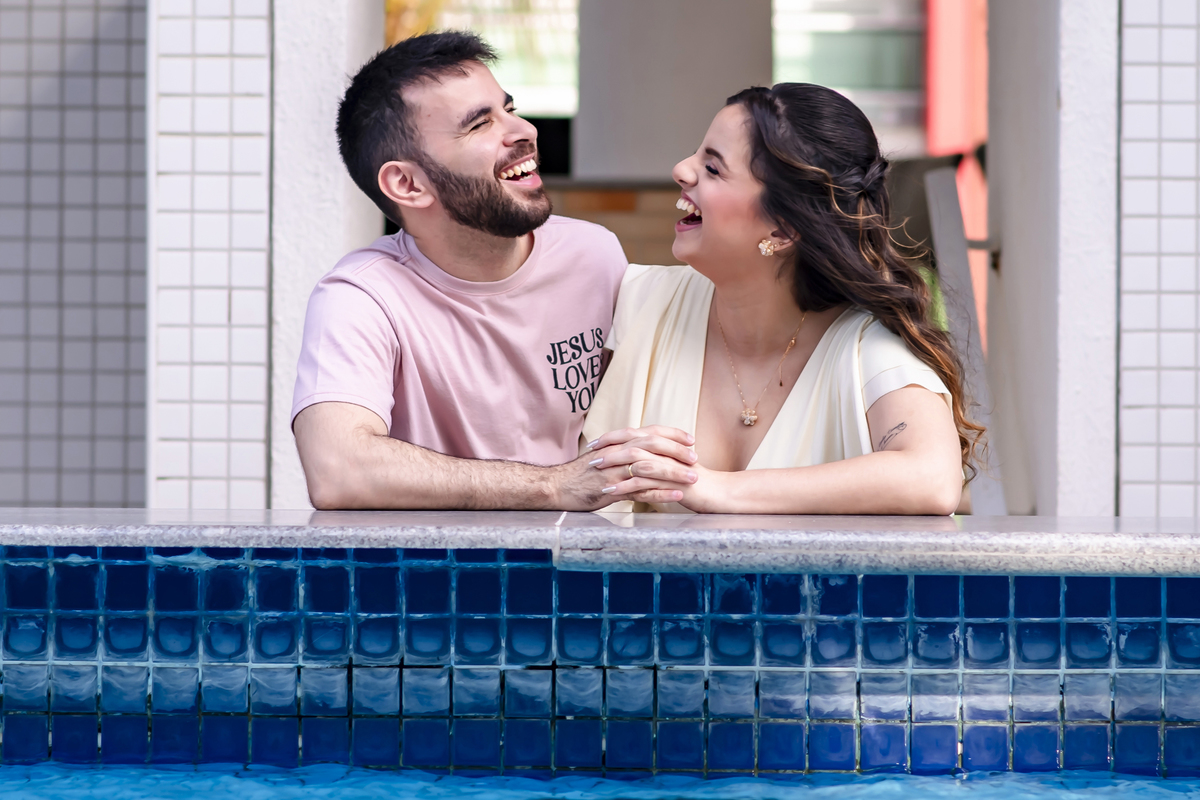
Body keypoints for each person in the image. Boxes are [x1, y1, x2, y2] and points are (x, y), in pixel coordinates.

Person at [291, 31, 695, 510]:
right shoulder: (360, 297)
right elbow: (338, 470)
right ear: (407, 183)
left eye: (509, 107)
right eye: (480, 124)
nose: (524, 129)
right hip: (433, 575)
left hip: (579, 565)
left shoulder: (593, 254)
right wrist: (553, 486)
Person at [581, 83, 983, 514]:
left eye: (713, 168)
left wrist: (716, 489)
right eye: (697, 154)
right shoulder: (640, 302)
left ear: (782, 230)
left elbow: (935, 480)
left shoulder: (862, 349)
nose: (682, 169)